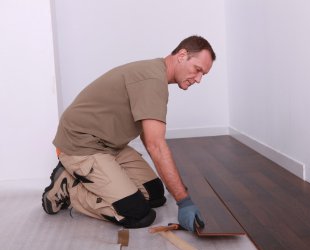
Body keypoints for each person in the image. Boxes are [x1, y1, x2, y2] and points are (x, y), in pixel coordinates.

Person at [42, 35, 216, 232]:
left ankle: (104, 179)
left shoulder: (155, 75)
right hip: (81, 145)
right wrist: (184, 201)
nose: (199, 79)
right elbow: (156, 146)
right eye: (198, 70)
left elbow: (147, 134)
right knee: (139, 214)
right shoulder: (152, 80)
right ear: (182, 55)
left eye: (204, 75)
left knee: (155, 195)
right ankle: (69, 188)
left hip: (110, 145)